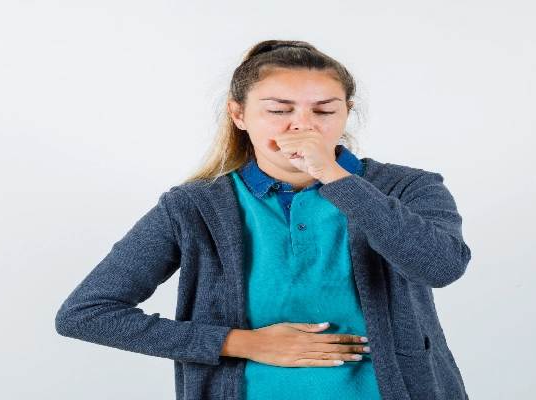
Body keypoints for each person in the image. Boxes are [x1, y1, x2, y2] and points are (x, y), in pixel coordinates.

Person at [55, 39, 472, 400]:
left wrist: (334, 176)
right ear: (239, 115)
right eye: (279, 110)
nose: (302, 126)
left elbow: (440, 266)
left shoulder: (407, 186)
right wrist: (243, 343)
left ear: (346, 113)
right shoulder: (193, 206)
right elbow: (86, 313)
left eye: (324, 111)